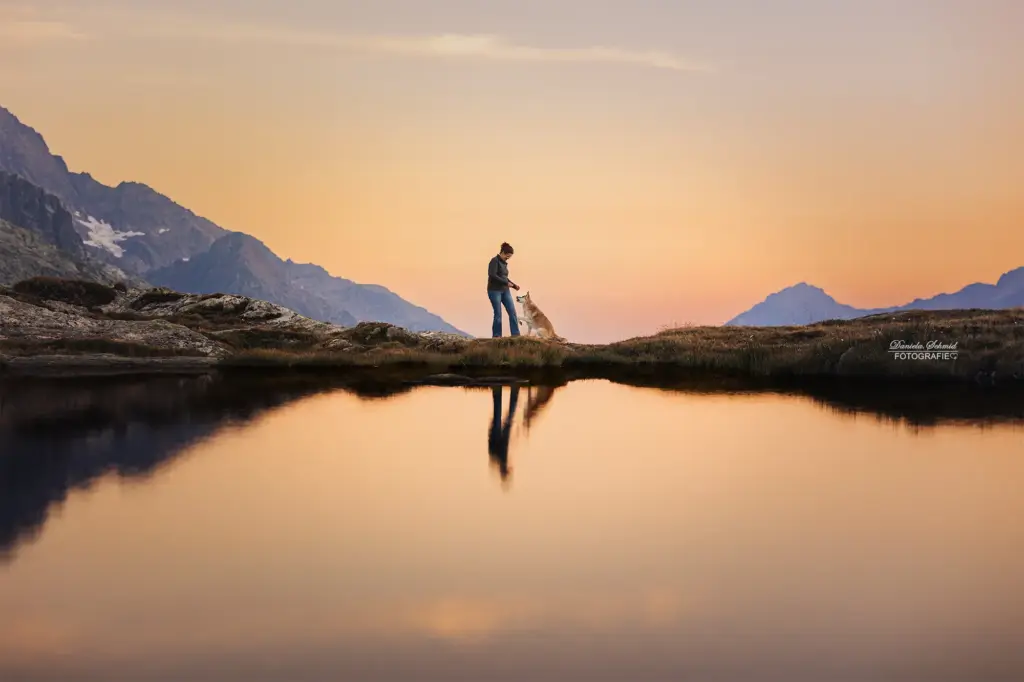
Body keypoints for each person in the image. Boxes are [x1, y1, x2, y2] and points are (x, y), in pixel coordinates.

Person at [487, 242, 521, 338]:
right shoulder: (494, 261)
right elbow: (492, 275)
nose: (508, 259)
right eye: (507, 256)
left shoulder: (504, 264)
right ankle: (497, 336)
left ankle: (516, 335)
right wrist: (506, 283)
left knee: (512, 312)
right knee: (498, 314)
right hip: (494, 291)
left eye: (509, 257)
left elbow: (504, 277)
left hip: (505, 291)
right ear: (502, 252)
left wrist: (514, 286)